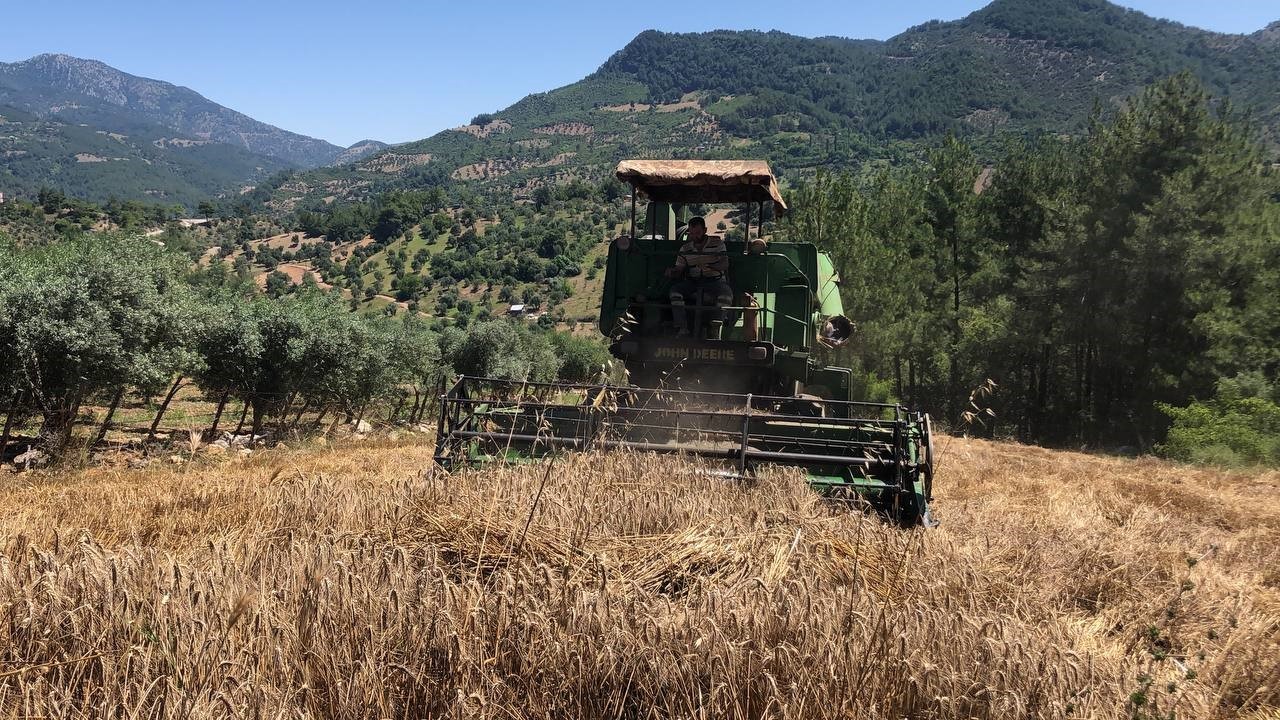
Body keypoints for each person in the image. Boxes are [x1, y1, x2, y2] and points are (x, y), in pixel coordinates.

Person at [664, 216, 733, 337]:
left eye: (698, 233)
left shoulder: (717, 244)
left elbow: (724, 263)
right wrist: (672, 272)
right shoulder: (685, 249)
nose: (695, 236)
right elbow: (679, 269)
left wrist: (710, 267)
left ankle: (715, 327)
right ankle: (682, 327)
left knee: (726, 294)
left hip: (715, 281)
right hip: (693, 282)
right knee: (675, 291)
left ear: (705, 230)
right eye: (691, 233)